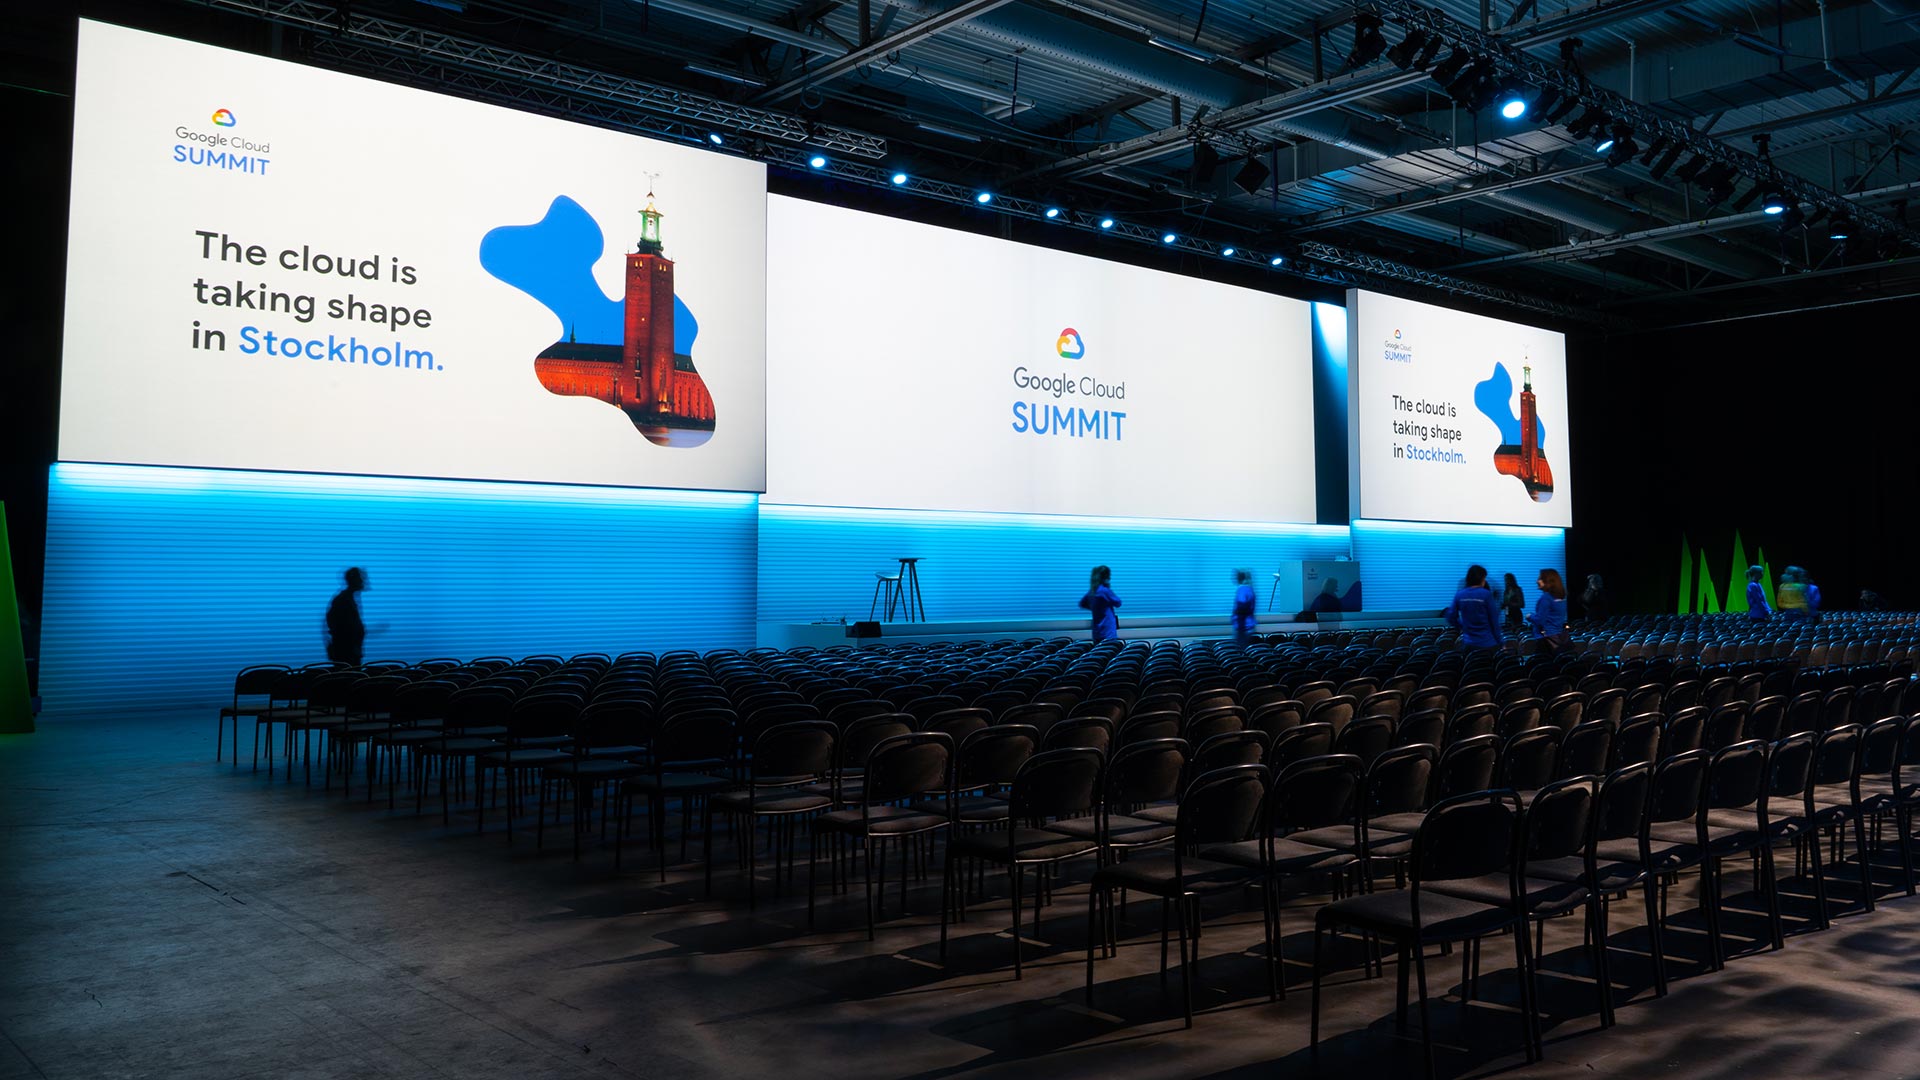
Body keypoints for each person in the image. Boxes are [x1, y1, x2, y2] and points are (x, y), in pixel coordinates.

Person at [1445, 565, 1503, 651]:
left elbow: (1450, 616)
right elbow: (1494, 621)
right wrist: (1500, 643)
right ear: (1481, 579)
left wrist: (1463, 626)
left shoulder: (1460, 594)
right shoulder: (1486, 594)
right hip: (1488, 643)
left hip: (1469, 644)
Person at [325, 567, 368, 665]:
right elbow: (341, 627)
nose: (363, 581)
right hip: (347, 653)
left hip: (351, 651)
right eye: (361, 578)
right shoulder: (343, 600)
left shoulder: (348, 599)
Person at [1527, 568, 1569, 654]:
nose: (1537, 581)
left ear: (1547, 581)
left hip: (1545, 639)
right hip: (1558, 637)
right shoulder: (1561, 597)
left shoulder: (1546, 598)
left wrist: (1530, 616)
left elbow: (1540, 621)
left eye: (1540, 579)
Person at [1079, 565, 1121, 642]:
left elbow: (1082, 604)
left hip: (1096, 632)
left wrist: (1095, 608)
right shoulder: (1105, 591)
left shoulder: (1092, 591)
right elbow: (1118, 603)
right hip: (1108, 631)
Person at [1230, 570, 1257, 646]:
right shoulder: (1250, 589)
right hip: (1248, 626)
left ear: (1239, 578)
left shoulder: (1242, 589)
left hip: (1242, 627)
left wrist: (1235, 613)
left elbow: (1242, 602)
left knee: (1241, 650)